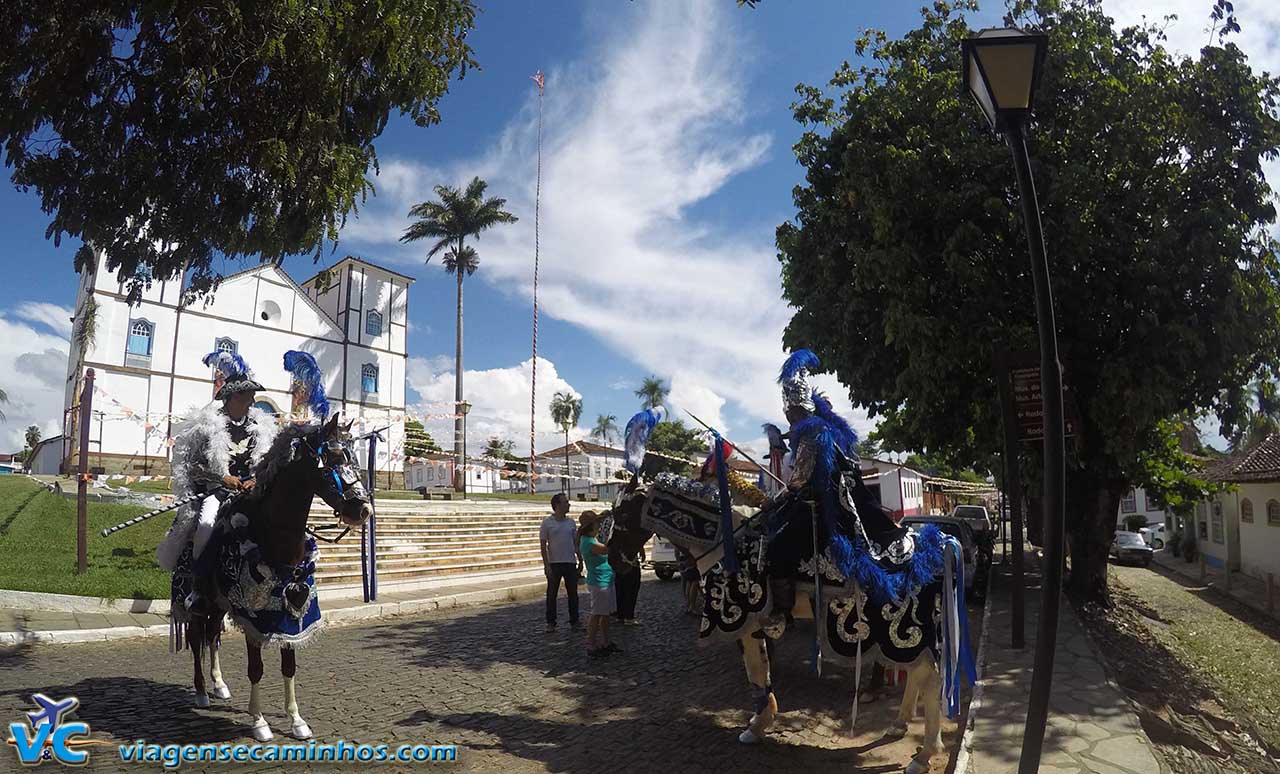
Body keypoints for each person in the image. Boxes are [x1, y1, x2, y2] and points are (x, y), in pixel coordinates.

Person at [157, 351, 277, 612]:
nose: (252, 402)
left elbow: (267, 462)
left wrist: (256, 479)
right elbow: (193, 467)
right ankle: (200, 588)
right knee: (204, 527)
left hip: (251, 492)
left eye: (252, 397)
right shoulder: (207, 427)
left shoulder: (260, 427)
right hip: (217, 491)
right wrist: (223, 477)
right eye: (247, 397)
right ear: (233, 398)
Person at [577, 511, 618, 657]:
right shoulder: (588, 542)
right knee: (597, 615)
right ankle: (592, 645)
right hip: (599, 582)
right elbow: (609, 549)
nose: (599, 525)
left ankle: (606, 642)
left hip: (605, 579)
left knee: (604, 614)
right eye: (597, 523)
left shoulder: (591, 540)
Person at [540, 492, 581, 631]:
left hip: (570, 561)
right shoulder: (547, 523)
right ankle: (551, 622)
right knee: (552, 594)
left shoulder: (571, 522)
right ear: (557, 505)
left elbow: (575, 543)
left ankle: (574, 621)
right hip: (555, 563)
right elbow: (543, 545)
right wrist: (546, 565)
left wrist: (580, 559)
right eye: (565, 502)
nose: (568, 504)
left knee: (573, 594)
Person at [612, 541, 643, 626]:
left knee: (620, 589)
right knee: (631, 589)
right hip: (629, 561)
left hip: (619, 561)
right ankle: (629, 617)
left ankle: (621, 615)